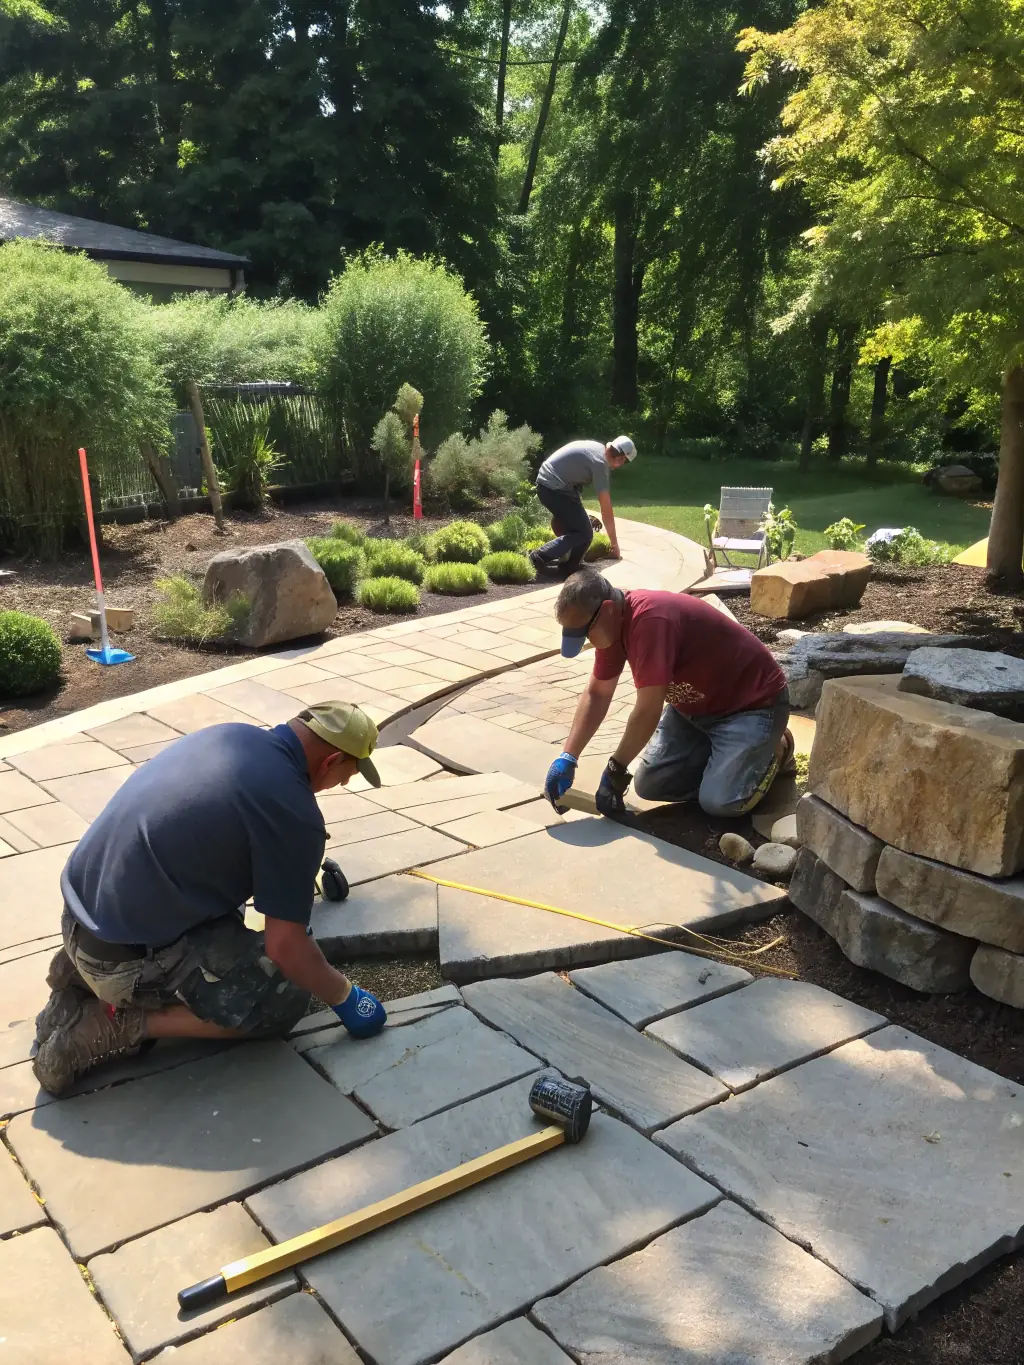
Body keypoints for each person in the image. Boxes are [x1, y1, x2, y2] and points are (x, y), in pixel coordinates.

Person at [32, 702, 390, 1097]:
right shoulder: (293, 813)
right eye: (349, 773)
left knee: (223, 906)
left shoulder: (231, 736)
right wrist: (344, 996)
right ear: (332, 760)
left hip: (81, 915)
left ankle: (79, 979)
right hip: (122, 955)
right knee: (285, 998)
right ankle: (115, 1024)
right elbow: (286, 946)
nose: (344, 784)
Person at [543, 569, 793, 818]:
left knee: (721, 803)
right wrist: (568, 756)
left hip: (751, 707)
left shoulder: (651, 620)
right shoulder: (610, 627)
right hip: (694, 710)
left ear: (607, 609)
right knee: (651, 785)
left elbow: (647, 710)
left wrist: (616, 768)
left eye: (585, 632)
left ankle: (776, 748)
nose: (587, 641)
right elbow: (597, 693)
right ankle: (725, 762)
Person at [529, 436, 636, 576]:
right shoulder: (600, 464)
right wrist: (614, 545)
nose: (622, 464)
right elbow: (606, 508)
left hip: (550, 483)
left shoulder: (597, 448)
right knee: (584, 533)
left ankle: (570, 565)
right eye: (625, 461)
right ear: (621, 458)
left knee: (579, 528)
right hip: (552, 487)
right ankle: (538, 557)